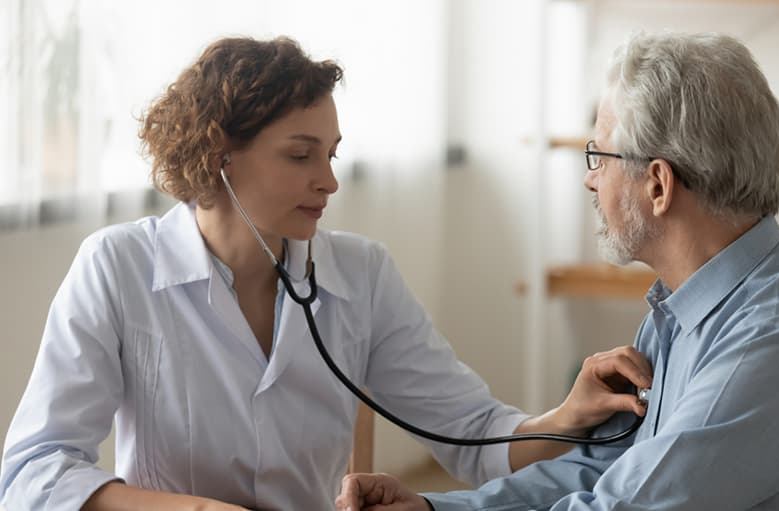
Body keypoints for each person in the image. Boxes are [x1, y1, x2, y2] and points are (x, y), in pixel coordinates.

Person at [0, 36, 654, 511]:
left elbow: (472, 435)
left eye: (332, 154)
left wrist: (566, 415)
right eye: (300, 155)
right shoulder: (117, 268)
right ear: (219, 155)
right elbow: (33, 472)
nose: (329, 180)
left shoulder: (361, 274)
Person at [337, 31, 779, 511]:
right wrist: (436, 509)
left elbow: (625, 505)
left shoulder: (777, 337)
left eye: (599, 156)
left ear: (659, 184)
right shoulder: (688, 305)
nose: (590, 178)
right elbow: (605, 471)